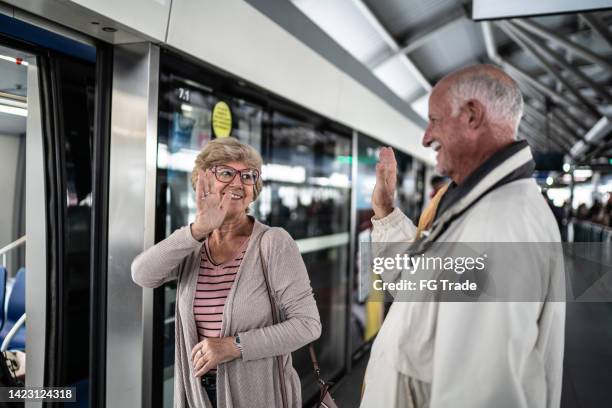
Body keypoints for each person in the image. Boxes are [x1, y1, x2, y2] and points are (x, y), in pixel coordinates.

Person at [360, 64, 565, 407]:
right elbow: (416, 289)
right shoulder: (475, 209)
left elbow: (480, 395)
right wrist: (386, 213)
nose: (426, 137)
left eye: (434, 120)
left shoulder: (498, 230)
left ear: (472, 115)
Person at [131, 137, 321, 408]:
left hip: (257, 396)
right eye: (225, 172)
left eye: (247, 175)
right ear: (202, 181)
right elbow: (142, 274)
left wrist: (233, 346)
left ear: (254, 189)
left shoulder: (273, 242)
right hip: (198, 395)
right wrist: (198, 229)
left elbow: (308, 324)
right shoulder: (193, 245)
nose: (237, 183)